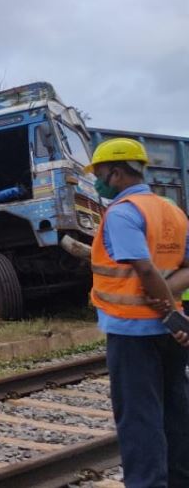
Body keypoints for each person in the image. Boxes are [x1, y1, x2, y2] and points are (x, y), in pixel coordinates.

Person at [87, 137, 189, 487]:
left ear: (116, 173)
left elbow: (144, 270)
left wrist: (163, 310)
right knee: (176, 412)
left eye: (100, 174)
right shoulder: (171, 210)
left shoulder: (123, 212)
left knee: (139, 418)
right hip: (171, 332)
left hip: (133, 334)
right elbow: (186, 266)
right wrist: (172, 310)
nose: (98, 181)